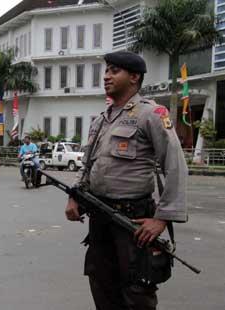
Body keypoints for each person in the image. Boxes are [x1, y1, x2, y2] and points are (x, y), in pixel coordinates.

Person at [65, 51, 188, 310]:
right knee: (101, 284)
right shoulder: (101, 120)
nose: (106, 76)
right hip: (100, 217)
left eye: (114, 70)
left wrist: (162, 218)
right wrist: (74, 196)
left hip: (133, 221)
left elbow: (175, 166)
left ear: (134, 77)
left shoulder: (152, 114)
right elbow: (88, 163)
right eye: (106, 70)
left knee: (137, 289)